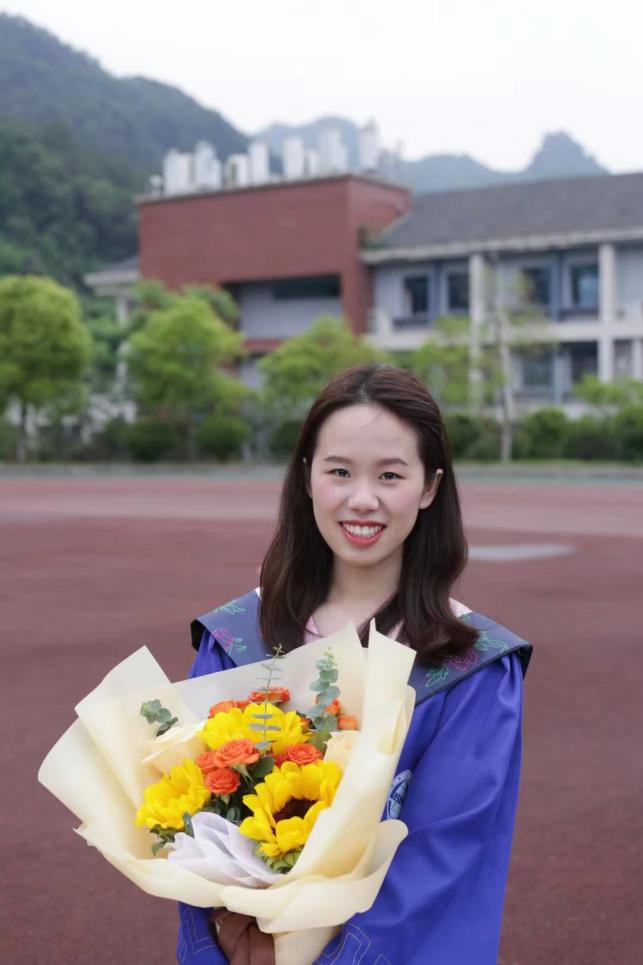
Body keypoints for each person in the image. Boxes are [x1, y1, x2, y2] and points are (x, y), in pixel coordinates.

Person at [176, 363, 532, 965]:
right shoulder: (237, 638)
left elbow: (440, 855)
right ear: (307, 477)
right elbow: (189, 824)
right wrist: (225, 945)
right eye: (339, 471)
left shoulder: (471, 668)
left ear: (429, 487)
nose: (362, 499)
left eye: (390, 475)